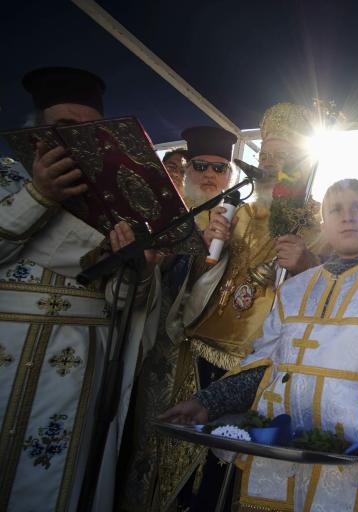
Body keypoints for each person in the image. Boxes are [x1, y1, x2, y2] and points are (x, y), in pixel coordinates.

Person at [161, 178, 358, 511]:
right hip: (278, 463)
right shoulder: (294, 290)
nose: (347, 216)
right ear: (324, 225)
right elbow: (265, 365)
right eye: (335, 209)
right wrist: (207, 403)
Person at [0, 67, 158, 511]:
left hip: (78, 362)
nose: (77, 142)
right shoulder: (6, 181)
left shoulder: (119, 204)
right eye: (64, 128)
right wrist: (39, 195)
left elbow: (122, 302)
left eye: (90, 132)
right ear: (36, 133)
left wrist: (138, 270)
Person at [117, 125, 239, 511]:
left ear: (230, 176)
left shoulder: (241, 227)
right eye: (200, 166)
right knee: (140, 450)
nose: (208, 175)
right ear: (185, 172)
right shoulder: (161, 220)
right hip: (152, 355)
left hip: (204, 367)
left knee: (189, 466)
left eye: (218, 168)